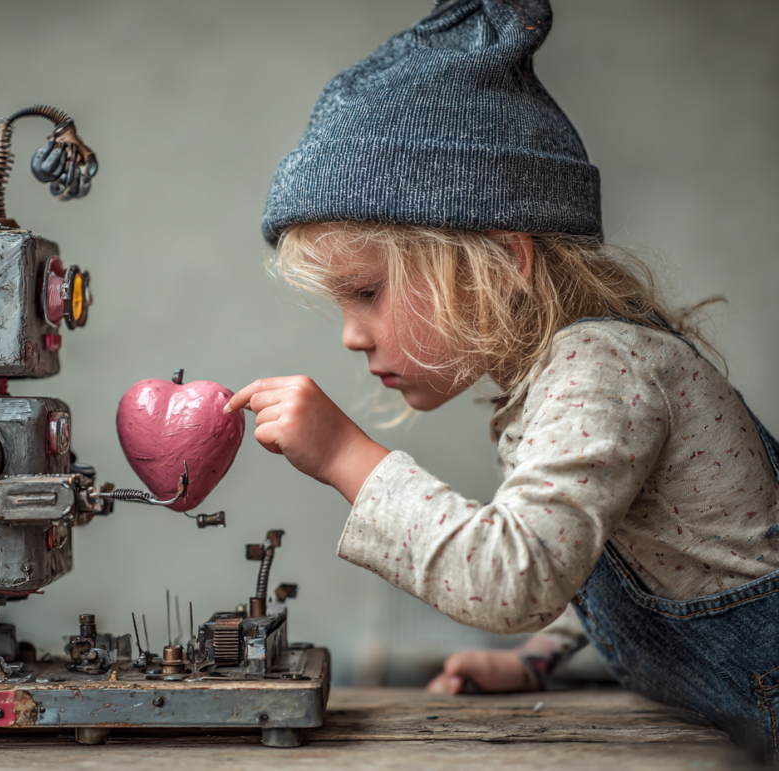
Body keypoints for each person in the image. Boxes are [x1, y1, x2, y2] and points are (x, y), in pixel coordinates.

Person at [224, 0, 779, 761]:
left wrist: (345, 457)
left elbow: (516, 572)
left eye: (367, 292)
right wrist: (535, 660)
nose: (352, 335)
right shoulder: (568, 374)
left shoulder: (603, 369)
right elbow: (615, 548)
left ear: (502, 261)